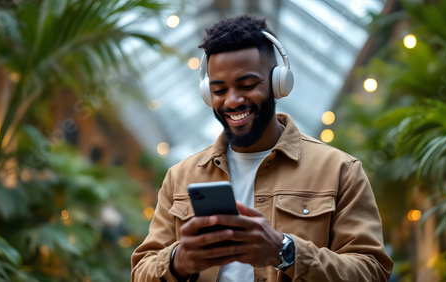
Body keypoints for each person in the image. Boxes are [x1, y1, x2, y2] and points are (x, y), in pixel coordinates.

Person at [131, 14, 393, 281]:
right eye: (219, 90)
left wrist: (284, 251)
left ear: (279, 83)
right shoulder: (179, 178)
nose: (232, 101)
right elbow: (141, 271)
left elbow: (372, 271)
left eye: (247, 85)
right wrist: (179, 261)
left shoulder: (341, 171)